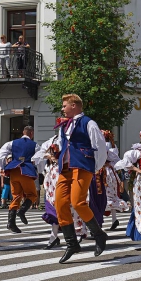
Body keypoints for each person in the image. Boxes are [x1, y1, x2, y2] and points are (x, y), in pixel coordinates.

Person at [53, 94, 107, 264]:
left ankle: (98, 234)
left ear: (74, 105)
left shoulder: (88, 123)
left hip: (83, 166)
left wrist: (94, 167)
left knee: (78, 202)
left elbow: (99, 146)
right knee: (60, 203)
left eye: (64, 105)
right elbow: (64, 145)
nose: (62, 108)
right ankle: (72, 243)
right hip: (66, 167)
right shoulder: (64, 125)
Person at [31, 135, 87, 249]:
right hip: (54, 174)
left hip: (68, 173)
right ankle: (54, 236)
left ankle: (72, 234)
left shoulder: (75, 140)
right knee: (55, 206)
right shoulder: (52, 140)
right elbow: (37, 156)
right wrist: (49, 156)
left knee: (69, 205)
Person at [0, 126, 40, 234]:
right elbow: (39, 158)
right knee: (32, 194)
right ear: (31, 133)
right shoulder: (35, 145)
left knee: (16, 196)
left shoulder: (12, 143)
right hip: (25, 171)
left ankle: (11, 222)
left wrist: (3, 166)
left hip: (14, 170)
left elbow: (1, 155)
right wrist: (38, 170)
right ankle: (21, 211)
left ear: (23, 132)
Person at [100, 130, 129, 230]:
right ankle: (114, 219)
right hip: (109, 173)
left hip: (105, 173)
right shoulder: (112, 146)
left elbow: (110, 159)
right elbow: (116, 161)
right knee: (110, 195)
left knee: (105, 195)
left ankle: (102, 220)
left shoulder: (105, 145)